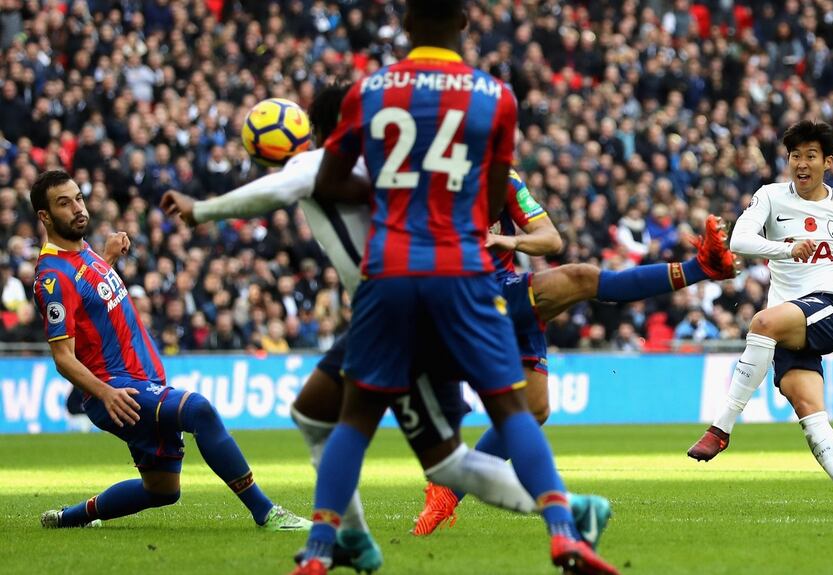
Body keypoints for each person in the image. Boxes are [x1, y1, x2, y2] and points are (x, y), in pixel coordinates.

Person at [163, 85, 612, 573]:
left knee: (430, 454)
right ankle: (351, 538)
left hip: (395, 310)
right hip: (408, 303)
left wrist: (200, 210)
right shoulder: (389, 166)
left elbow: (270, 193)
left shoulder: (319, 165)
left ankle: (568, 510)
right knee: (320, 416)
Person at [293, 2, 619, 572]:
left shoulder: (368, 92)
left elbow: (331, 180)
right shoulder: (496, 96)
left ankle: (320, 550)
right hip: (463, 271)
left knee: (355, 417)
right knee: (513, 410)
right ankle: (564, 531)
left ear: (406, 23)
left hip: (390, 270)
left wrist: (396, 198)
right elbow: (495, 199)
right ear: (463, 23)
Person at [413, 170, 736, 534]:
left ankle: (447, 491)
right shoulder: (429, 179)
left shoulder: (504, 176)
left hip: (504, 288)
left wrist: (505, 240)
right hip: (466, 296)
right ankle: (702, 266)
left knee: (535, 410)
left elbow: (551, 240)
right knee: (582, 278)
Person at [31, 169, 309, 531]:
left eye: (79, 198)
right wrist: (106, 393)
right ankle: (267, 513)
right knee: (199, 411)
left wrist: (107, 258)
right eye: (64, 204)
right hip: (118, 389)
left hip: (140, 378)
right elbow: (63, 358)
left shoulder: (83, 254)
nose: (78, 209)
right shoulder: (51, 276)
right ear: (45, 216)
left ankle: (70, 518)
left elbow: (86, 298)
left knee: (162, 490)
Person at [685, 120, 833, 513]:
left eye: (810, 156)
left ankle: (720, 428)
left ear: (829, 162)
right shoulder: (770, 197)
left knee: (761, 322)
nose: (801, 164)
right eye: (795, 156)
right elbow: (739, 239)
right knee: (810, 411)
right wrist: (787, 250)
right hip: (790, 322)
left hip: (827, 308)